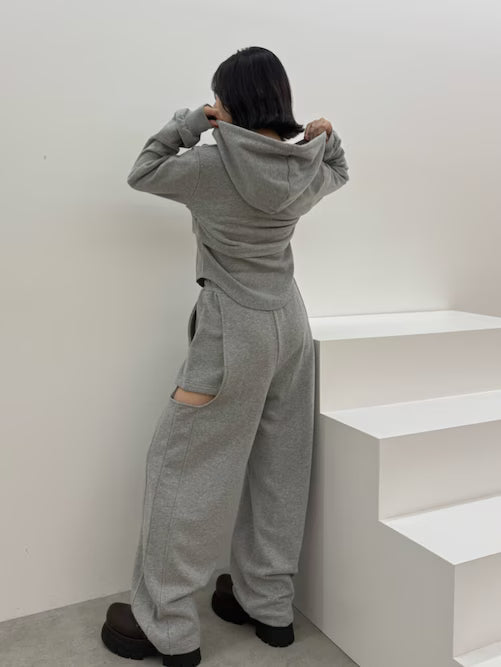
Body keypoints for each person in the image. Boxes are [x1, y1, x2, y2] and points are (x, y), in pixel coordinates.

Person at [101, 45, 349, 667]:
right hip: (290, 324)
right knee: (280, 465)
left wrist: (192, 122)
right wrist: (327, 135)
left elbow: (143, 170)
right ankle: (268, 606)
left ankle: (167, 627)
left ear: (230, 100)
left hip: (231, 328)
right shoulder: (306, 165)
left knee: (183, 469)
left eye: (219, 97)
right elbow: (339, 170)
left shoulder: (210, 166)